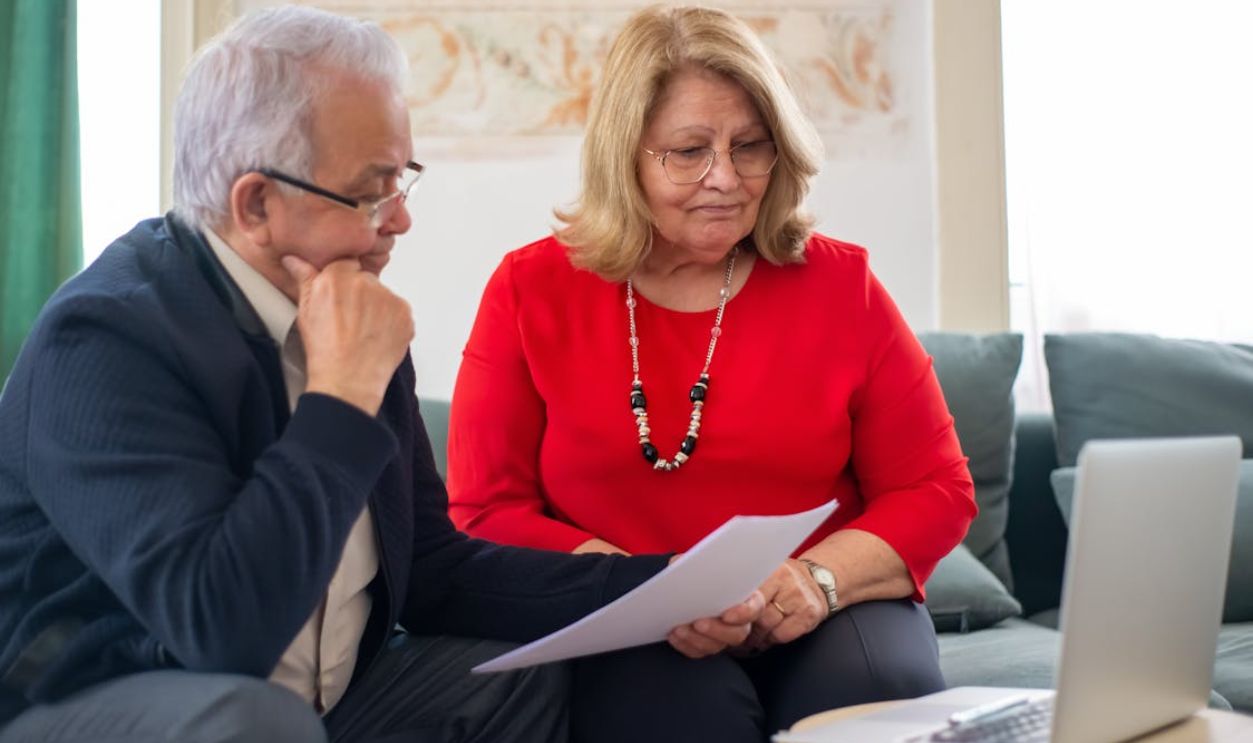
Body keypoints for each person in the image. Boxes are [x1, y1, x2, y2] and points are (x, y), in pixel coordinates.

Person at [0, 6, 763, 742]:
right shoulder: (106, 337)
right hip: (103, 706)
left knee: (517, 674)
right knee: (255, 722)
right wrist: (338, 396)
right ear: (257, 203)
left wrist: (666, 588)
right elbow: (223, 627)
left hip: (320, 705)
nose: (399, 218)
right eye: (371, 190)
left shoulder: (347, 305)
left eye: (404, 179)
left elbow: (435, 569)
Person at [447, 5, 978, 740]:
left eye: (749, 146)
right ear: (625, 154)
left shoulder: (840, 285)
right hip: (628, 618)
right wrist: (642, 589)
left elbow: (935, 486)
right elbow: (483, 508)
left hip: (821, 604)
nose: (724, 178)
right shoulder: (528, 289)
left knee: (874, 691)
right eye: (688, 150)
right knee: (673, 711)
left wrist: (815, 581)